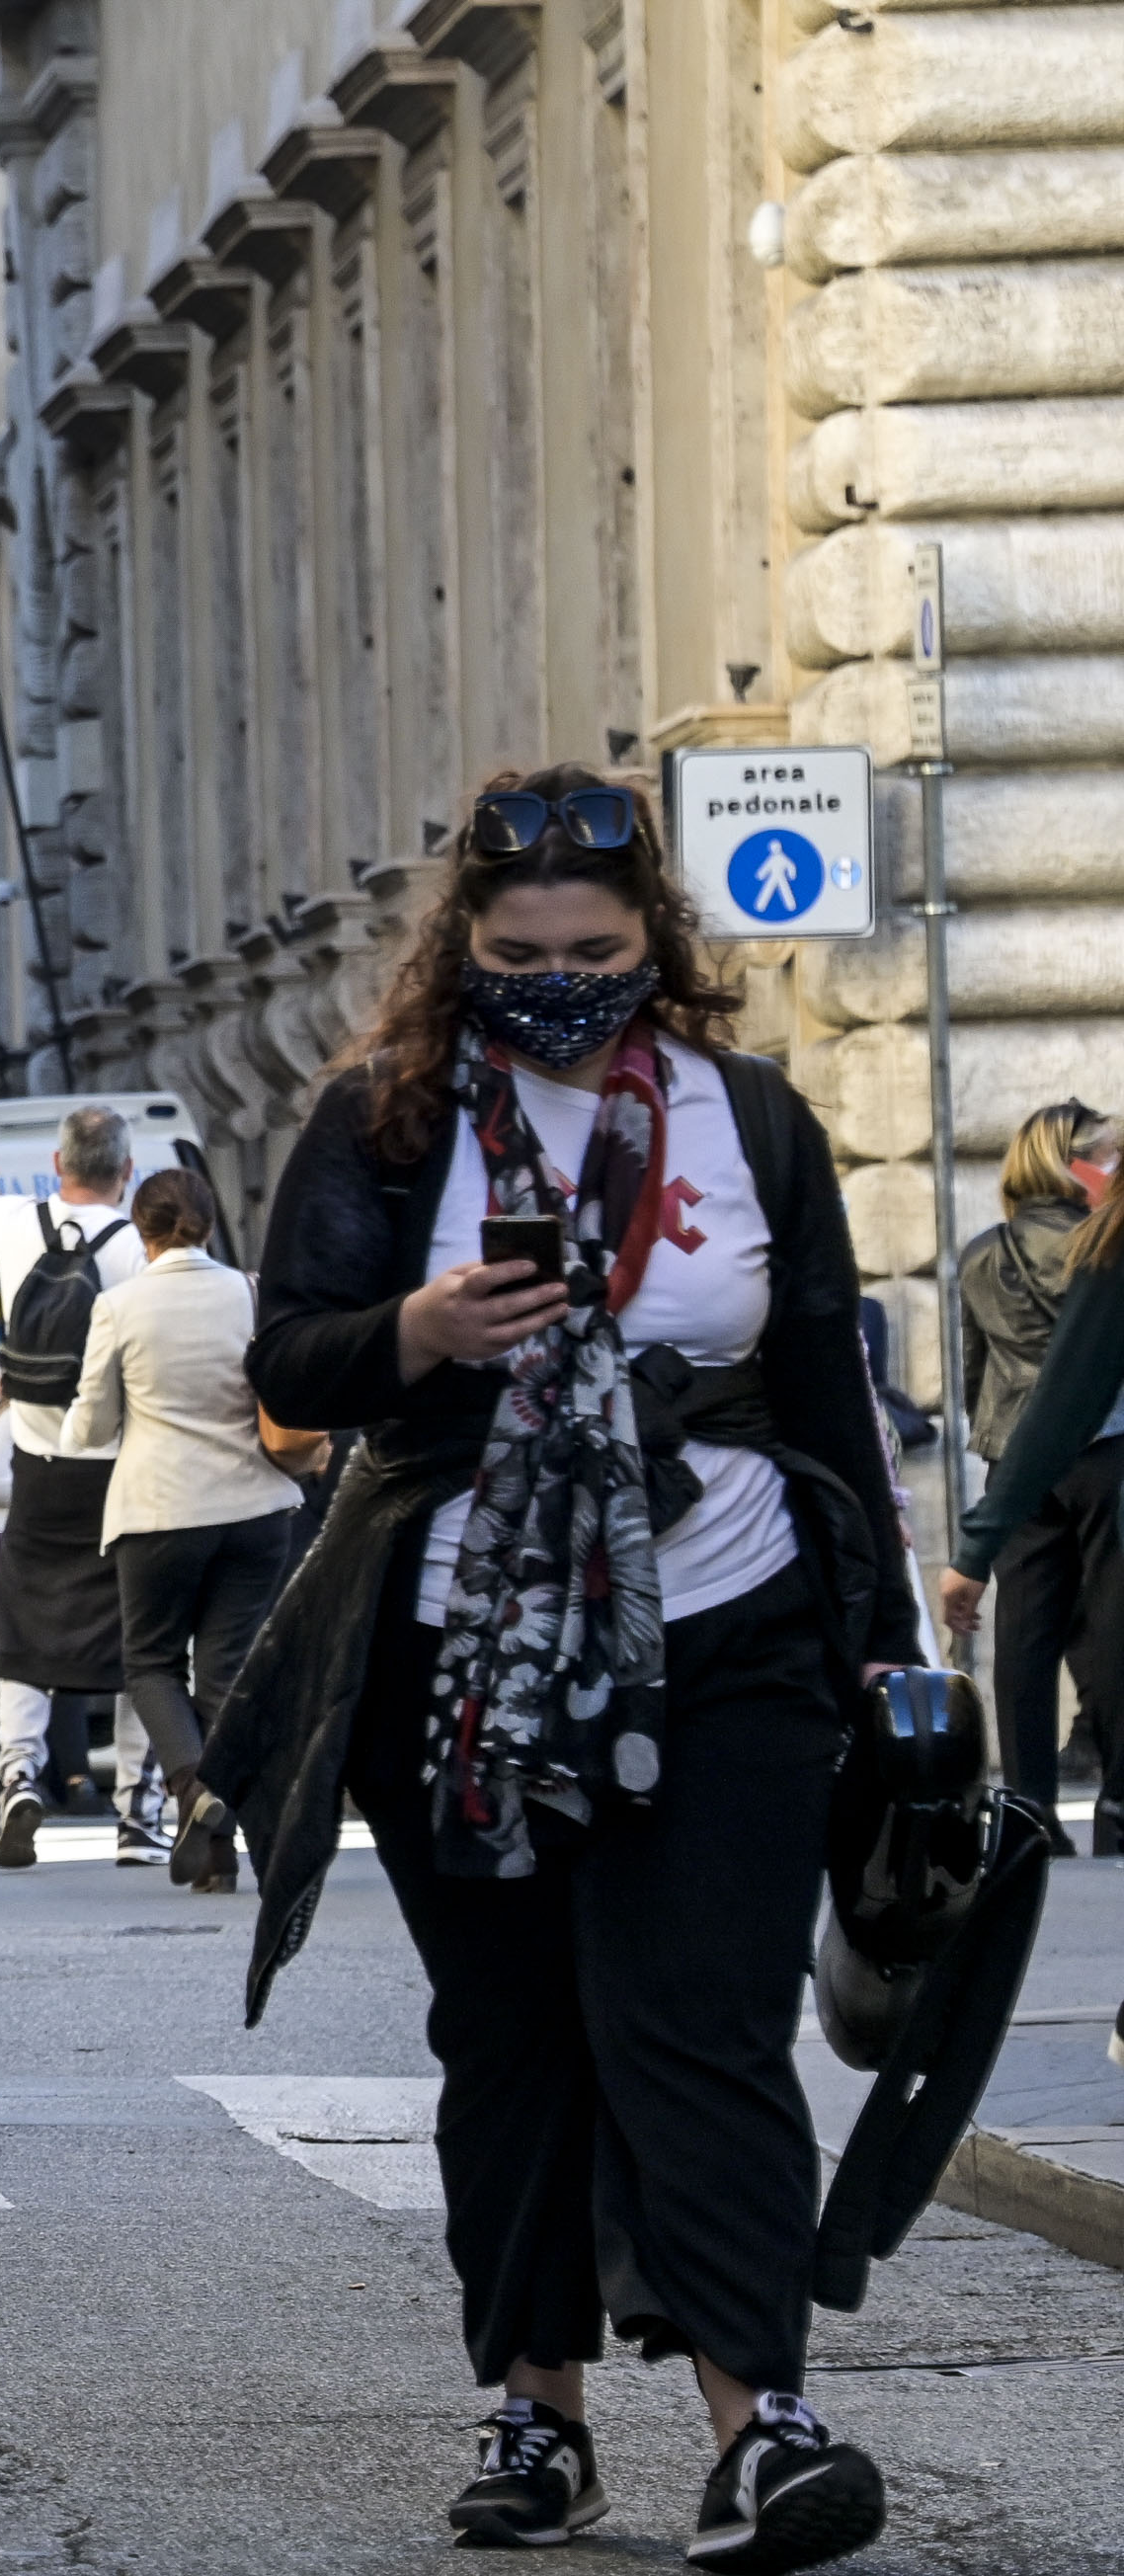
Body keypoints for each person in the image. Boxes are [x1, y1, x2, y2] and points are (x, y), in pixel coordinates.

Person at [211, 766, 911, 2566]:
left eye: (595, 947)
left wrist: (889, 1649)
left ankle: (764, 2421)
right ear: (466, 947)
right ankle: (540, 2411)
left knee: (701, 2021)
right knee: (515, 2036)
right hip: (465, 1646)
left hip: (731, 1617)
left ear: (653, 941)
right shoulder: (385, 1123)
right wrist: (417, 1328)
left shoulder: (747, 1119)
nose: (559, 978)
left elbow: (825, 1373)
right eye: (520, 951)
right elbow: (289, 1360)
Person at [59, 1167, 297, 1894]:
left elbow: (93, 1424)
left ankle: (196, 1798)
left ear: (141, 1230)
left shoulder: (120, 1305)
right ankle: (223, 1853)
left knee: (152, 1664)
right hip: (255, 1507)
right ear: (209, 1222)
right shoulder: (250, 1292)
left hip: (159, 1511)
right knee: (224, 1673)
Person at [0, 1110, 152, 1866]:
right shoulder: (140, 1246)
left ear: (57, 1162)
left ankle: (18, 1777)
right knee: (143, 1633)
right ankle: (139, 1812)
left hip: (38, 1468)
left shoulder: (14, 1221)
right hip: (121, 1467)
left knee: (25, 1628)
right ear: (126, 1170)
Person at [943, 1153, 1124, 1850]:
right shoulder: (1094, 1240)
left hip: (1020, 1451)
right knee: (1110, 1629)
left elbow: (983, 1369)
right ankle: (1115, 1803)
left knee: (1024, 1631)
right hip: (1107, 1450)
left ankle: (1026, 1810)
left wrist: (977, 1540)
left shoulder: (985, 1250)